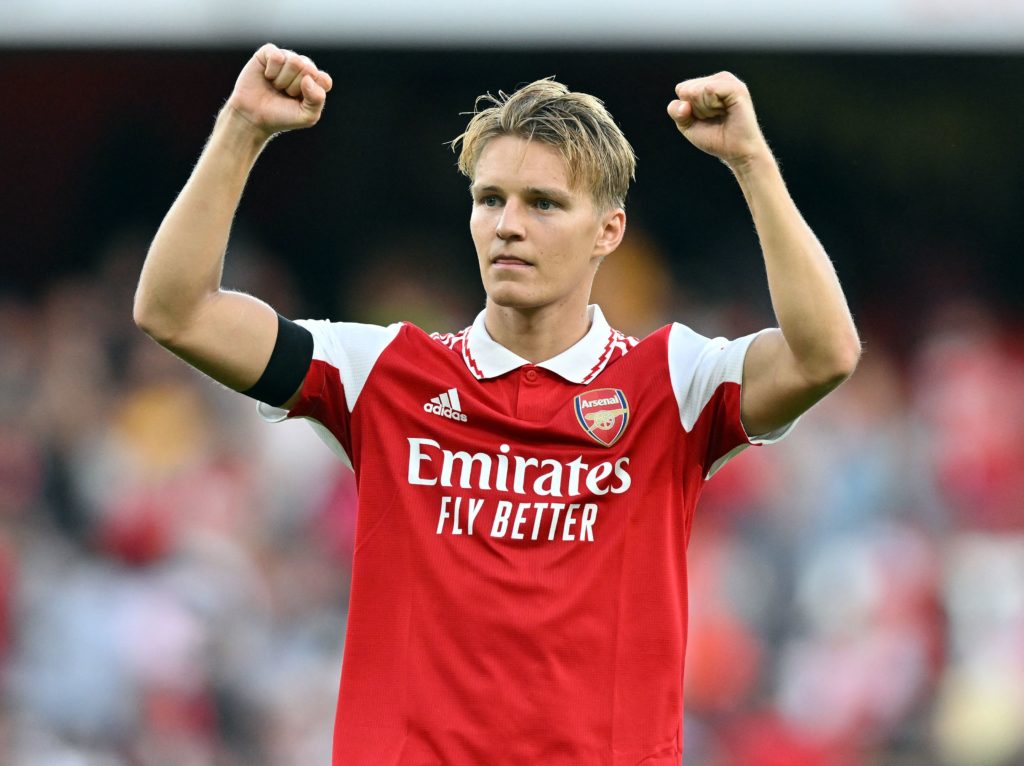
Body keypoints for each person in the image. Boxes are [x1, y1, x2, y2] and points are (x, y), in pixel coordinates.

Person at [134, 43, 860, 765]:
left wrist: (752, 163)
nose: (508, 224)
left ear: (607, 231)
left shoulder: (673, 381)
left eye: (544, 203)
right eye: (490, 200)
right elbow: (177, 310)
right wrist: (241, 128)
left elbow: (824, 353)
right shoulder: (382, 372)